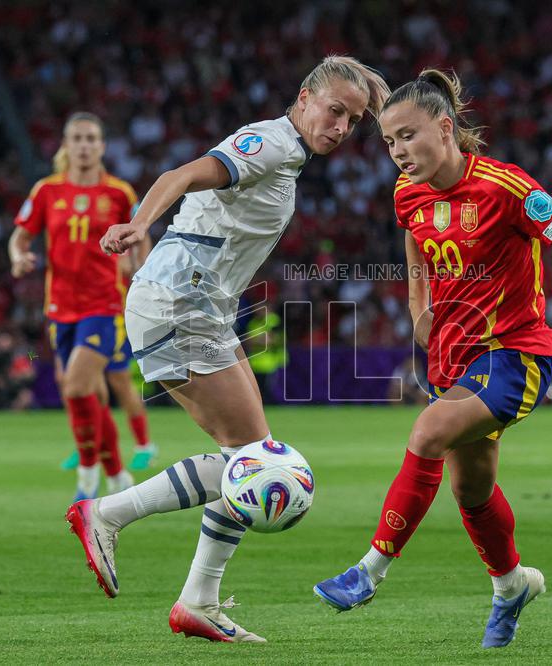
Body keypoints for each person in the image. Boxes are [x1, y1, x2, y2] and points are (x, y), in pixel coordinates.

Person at [313, 70, 552, 648]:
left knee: (427, 433)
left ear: (445, 128)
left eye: (408, 137)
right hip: (454, 360)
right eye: (389, 143)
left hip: (515, 354)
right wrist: (420, 310)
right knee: (472, 492)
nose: (398, 153)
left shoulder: (504, 187)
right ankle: (512, 584)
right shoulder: (407, 194)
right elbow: (414, 249)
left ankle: (367, 572)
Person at [65, 56, 389, 643]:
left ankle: (197, 600)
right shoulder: (269, 143)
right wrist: (140, 224)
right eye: (335, 111)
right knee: (254, 461)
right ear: (304, 97)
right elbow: (185, 174)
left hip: (197, 307)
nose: (341, 127)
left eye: (354, 119)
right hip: (177, 304)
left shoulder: (289, 154)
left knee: (252, 455)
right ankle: (109, 516)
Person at [9, 112, 148, 500]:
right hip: (59, 309)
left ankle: (87, 477)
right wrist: (18, 257)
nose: (84, 146)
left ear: (101, 146)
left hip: (103, 306)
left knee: (74, 387)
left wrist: (139, 272)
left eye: (91, 139)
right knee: (93, 397)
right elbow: (19, 238)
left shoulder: (120, 193)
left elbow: (140, 237)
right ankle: (118, 475)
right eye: (77, 139)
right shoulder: (46, 191)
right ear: (66, 146)